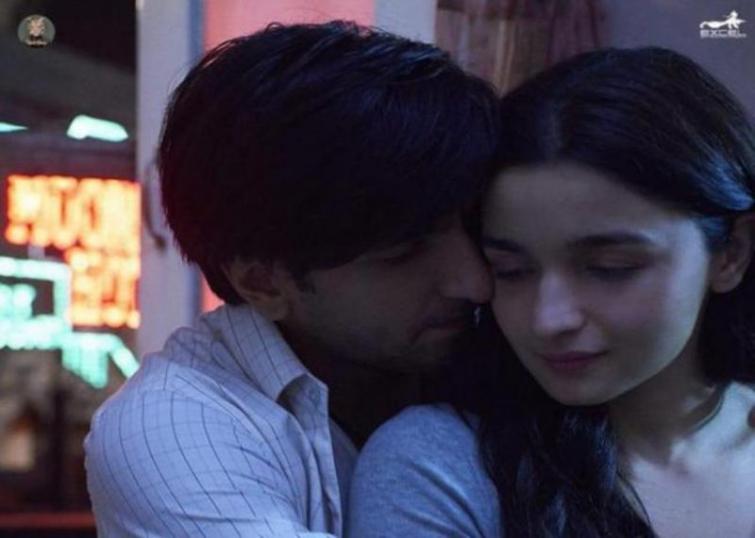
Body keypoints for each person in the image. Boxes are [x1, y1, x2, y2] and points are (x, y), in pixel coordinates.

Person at [84, 21, 500, 537]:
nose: (476, 282)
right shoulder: (171, 426)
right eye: (405, 253)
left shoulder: (498, 352)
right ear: (262, 282)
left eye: (475, 228)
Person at [348, 46, 755, 538]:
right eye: (511, 270)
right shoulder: (444, 464)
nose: (548, 319)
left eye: (609, 268)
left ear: (731, 253)